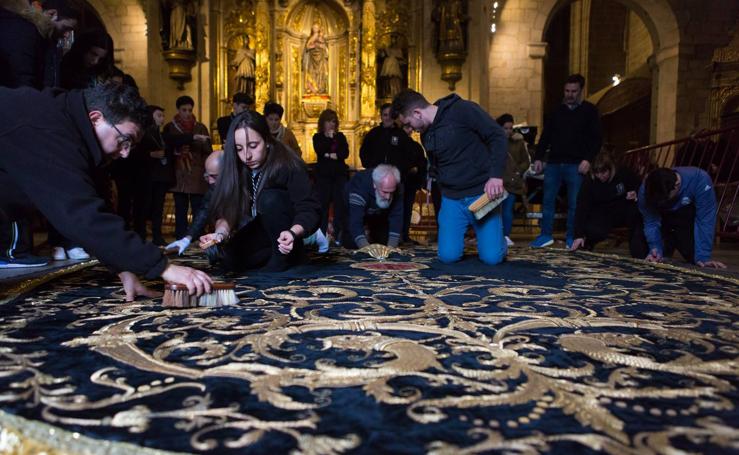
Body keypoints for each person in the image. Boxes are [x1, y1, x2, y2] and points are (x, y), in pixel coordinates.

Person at [0, 82, 212, 297]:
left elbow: (98, 203)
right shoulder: (46, 127)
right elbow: (82, 216)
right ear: (95, 118)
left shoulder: (73, 126)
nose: (125, 153)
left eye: (131, 145)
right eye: (124, 141)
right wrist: (163, 268)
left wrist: (123, 266)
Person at [391, 89, 507, 265]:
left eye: (408, 123)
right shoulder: (425, 134)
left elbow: (497, 136)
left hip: (481, 193)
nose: (410, 129)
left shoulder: (463, 109)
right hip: (452, 198)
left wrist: (496, 176)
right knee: (448, 257)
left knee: (492, 258)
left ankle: (496, 241)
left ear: (417, 113)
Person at [200, 110, 321, 272]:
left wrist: (293, 233)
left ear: (267, 140)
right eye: (239, 148)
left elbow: (309, 209)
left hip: (287, 232)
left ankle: (286, 258)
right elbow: (227, 209)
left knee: (270, 198)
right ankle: (270, 256)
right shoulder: (237, 164)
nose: (246, 156)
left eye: (253, 146)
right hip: (261, 228)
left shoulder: (289, 163)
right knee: (228, 261)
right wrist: (219, 235)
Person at [531, 73, 602, 248]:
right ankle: (545, 235)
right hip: (554, 163)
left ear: (580, 91)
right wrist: (538, 157)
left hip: (576, 164)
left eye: (574, 91)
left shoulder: (590, 111)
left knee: (574, 202)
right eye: (567, 90)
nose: (570, 94)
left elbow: (596, 139)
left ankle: (572, 236)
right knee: (547, 200)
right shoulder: (556, 111)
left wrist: (588, 159)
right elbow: (545, 136)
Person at [637, 167, 726, 269]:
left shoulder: (699, 179)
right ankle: (665, 247)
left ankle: (674, 243)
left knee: (697, 259)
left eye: (664, 199)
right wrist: (654, 249)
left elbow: (705, 220)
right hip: (662, 218)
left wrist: (703, 257)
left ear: (677, 185)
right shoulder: (646, 189)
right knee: (640, 254)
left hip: (684, 218)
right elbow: (651, 222)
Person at [569, 153, 643, 256]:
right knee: (593, 230)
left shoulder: (623, 172)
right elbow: (581, 208)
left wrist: (635, 192)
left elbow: (638, 184)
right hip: (601, 211)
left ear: (611, 169)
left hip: (621, 208)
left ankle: (638, 252)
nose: (600, 176)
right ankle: (588, 244)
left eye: (603, 172)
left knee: (636, 214)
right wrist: (578, 235)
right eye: (597, 173)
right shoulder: (589, 182)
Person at [163, 95, 212, 240]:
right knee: (180, 208)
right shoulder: (170, 127)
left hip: (197, 174)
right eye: (184, 110)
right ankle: (180, 236)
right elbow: (167, 146)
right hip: (179, 174)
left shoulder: (200, 127)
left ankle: (197, 236)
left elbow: (208, 151)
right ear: (178, 110)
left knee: (198, 207)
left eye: (190, 110)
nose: (187, 113)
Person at [166, 150, 223, 255]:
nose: (210, 181)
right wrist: (187, 239)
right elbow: (204, 212)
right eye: (207, 176)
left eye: (214, 176)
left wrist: (221, 234)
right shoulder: (214, 186)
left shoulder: (244, 184)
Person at [136, 105, 175, 244]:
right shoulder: (143, 132)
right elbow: (135, 154)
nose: (162, 119)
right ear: (151, 116)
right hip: (147, 176)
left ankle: (157, 237)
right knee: (144, 207)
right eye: (159, 115)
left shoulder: (162, 134)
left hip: (161, 176)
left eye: (163, 116)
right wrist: (151, 154)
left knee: (159, 208)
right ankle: (140, 236)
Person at [344, 165, 403, 249]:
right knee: (351, 243)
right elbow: (355, 223)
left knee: (383, 243)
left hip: (380, 213)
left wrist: (391, 248)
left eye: (391, 192)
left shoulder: (398, 188)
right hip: (354, 209)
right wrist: (368, 250)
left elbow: (396, 218)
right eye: (385, 192)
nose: (388, 197)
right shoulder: (359, 186)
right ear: (375, 185)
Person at [313, 109, 349, 244]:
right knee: (323, 207)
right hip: (324, 177)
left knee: (340, 207)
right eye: (328, 121)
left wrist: (331, 154)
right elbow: (320, 150)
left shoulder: (341, 137)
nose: (331, 124)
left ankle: (339, 237)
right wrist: (329, 142)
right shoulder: (318, 137)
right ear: (323, 123)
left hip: (339, 176)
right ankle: (321, 237)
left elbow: (344, 153)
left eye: (334, 121)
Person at [497, 113, 530, 247]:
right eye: (505, 128)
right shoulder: (494, 142)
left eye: (510, 128)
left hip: (511, 182)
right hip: (498, 182)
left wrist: (518, 172)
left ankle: (506, 235)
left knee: (507, 209)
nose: (508, 131)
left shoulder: (518, 142)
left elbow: (525, 161)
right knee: (496, 210)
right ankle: (495, 234)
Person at [359, 103, 412, 174]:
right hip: (375, 174)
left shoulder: (401, 135)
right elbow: (364, 151)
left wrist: (399, 170)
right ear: (381, 116)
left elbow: (408, 155)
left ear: (394, 116)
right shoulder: (373, 133)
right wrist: (370, 167)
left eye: (390, 115)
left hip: (395, 176)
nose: (388, 118)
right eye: (385, 115)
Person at [401, 124, 427, 244]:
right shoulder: (396, 144)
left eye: (410, 128)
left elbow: (422, 162)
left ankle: (405, 234)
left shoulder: (415, 146)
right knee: (397, 209)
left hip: (410, 182)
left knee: (407, 209)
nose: (410, 130)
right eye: (407, 127)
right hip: (397, 182)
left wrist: (417, 170)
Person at [303, 23, 328, 95]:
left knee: (321, 73)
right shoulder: (310, 38)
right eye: (314, 27)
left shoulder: (322, 38)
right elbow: (307, 47)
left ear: (319, 28)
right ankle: (312, 90)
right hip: (311, 59)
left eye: (317, 27)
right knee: (311, 73)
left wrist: (320, 45)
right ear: (312, 29)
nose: (315, 29)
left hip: (321, 60)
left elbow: (325, 49)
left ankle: (320, 89)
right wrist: (314, 45)